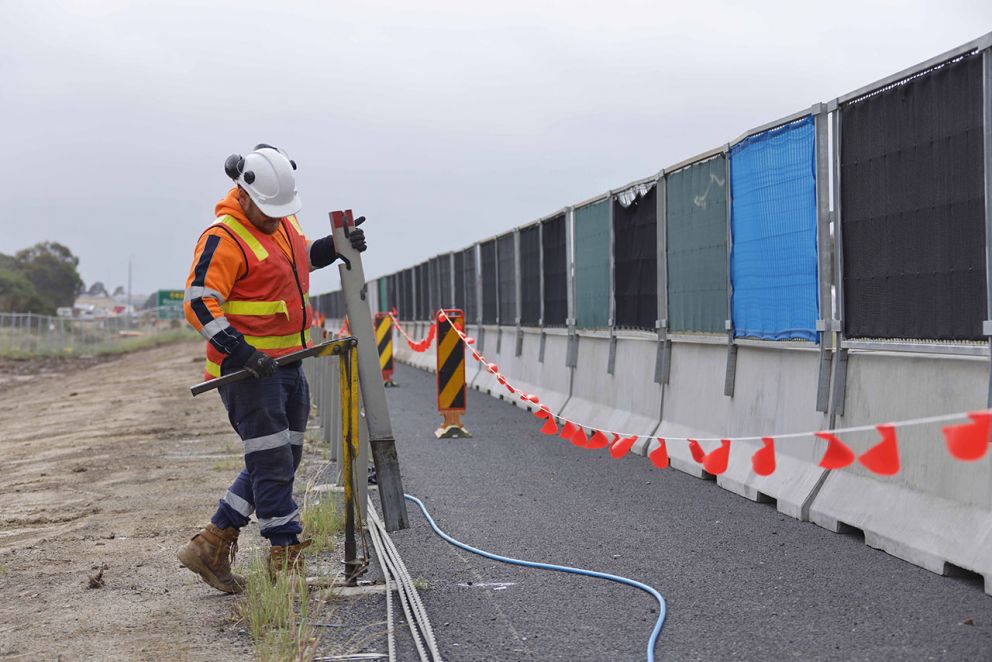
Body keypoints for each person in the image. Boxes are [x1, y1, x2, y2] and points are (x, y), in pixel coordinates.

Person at [178, 144, 366, 594]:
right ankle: (285, 554)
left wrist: (333, 247)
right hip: (247, 375)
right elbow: (198, 303)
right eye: (268, 211)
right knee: (273, 460)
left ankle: (212, 543)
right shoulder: (223, 236)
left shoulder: (281, 221)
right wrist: (239, 352)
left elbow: (297, 261)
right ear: (243, 194)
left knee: (281, 458)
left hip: (287, 364)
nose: (276, 219)